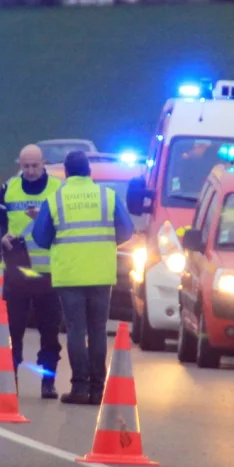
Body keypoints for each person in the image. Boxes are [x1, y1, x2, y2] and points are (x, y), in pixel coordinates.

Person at [32, 151, 134, 405]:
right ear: (90, 171)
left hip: (70, 275)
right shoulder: (107, 196)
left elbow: (40, 238)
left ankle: (79, 388)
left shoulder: (55, 199)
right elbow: (127, 230)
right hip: (101, 273)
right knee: (98, 331)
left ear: (66, 172)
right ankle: (98, 389)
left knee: (76, 331)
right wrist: (104, 244)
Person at [0, 144, 64, 399]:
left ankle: (48, 380)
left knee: (49, 329)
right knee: (14, 329)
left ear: (44, 163)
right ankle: (10, 377)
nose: (31, 171)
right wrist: (2, 237)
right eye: (26, 166)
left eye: (35, 165)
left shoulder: (58, 189)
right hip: (17, 272)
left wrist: (43, 217)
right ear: (19, 165)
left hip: (49, 273)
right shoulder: (8, 188)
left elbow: (65, 226)